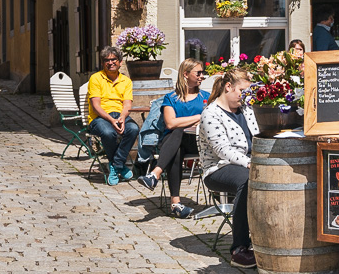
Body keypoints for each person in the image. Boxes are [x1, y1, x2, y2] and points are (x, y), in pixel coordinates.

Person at [199, 68, 259, 270]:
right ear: (228, 87)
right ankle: (239, 248)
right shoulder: (211, 114)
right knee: (247, 179)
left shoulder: (246, 109)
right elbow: (222, 150)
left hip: (249, 162)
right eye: (242, 90)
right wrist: (250, 163)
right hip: (218, 168)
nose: (245, 95)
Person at [137, 59, 209, 216]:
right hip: (173, 144)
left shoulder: (206, 97)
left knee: (178, 130)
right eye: (198, 73)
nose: (202, 76)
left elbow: (208, 119)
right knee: (176, 137)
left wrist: (186, 121)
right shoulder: (171, 98)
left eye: (202, 73)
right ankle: (176, 205)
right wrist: (199, 116)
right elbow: (170, 123)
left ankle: (155, 173)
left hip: (197, 142)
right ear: (186, 74)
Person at [86, 45, 139, 185]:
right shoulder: (96, 78)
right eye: (106, 60)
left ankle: (115, 165)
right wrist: (111, 120)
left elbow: (127, 104)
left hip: (120, 114)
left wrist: (121, 118)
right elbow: (96, 106)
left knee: (133, 129)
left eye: (113, 59)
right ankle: (119, 166)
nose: (110, 63)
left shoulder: (126, 81)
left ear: (120, 62)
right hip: (100, 117)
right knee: (109, 133)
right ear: (103, 63)